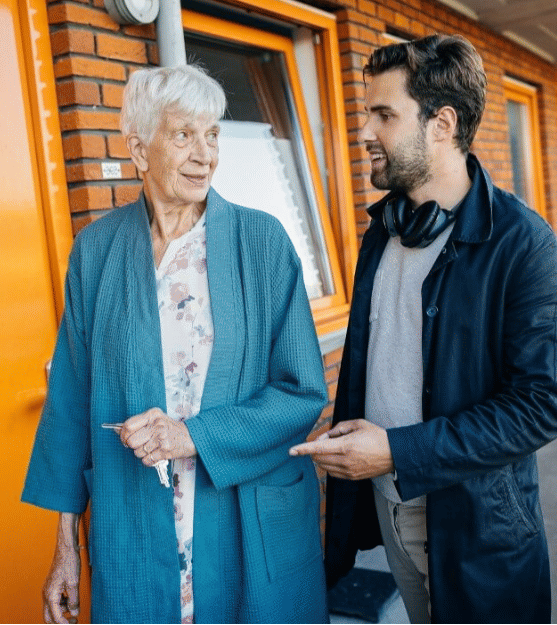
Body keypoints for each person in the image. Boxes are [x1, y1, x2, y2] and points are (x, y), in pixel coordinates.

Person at [22, 64, 329, 624]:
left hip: (243, 518)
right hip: (134, 521)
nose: (205, 154)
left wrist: (191, 435)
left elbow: (301, 392)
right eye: (184, 134)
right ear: (139, 149)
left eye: (212, 135)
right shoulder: (95, 252)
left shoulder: (262, 242)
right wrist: (65, 546)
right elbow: (70, 407)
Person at [290, 35, 557, 624]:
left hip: (476, 524)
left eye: (384, 115)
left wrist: (396, 450)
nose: (364, 131)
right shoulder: (383, 232)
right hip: (388, 503)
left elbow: (541, 406)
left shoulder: (525, 245)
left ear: (441, 124)